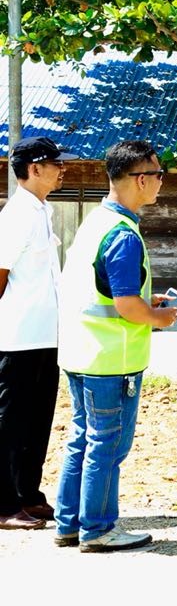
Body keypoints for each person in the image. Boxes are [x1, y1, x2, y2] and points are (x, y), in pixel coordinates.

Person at [55, 140, 177, 552]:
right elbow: (127, 306)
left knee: (84, 439)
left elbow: (106, 293)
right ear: (140, 179)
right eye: (159, 174)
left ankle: (70, 523)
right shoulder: (124, 234)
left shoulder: (97, 222)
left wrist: (148, 305)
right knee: (108, 445)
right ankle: (98, 529)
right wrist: (158, 317)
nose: (161, 183)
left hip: (82, 352)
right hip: (111, 359)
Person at [0, 137, 74, 531]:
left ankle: (28, 494)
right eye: (54, 163)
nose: (62, 168)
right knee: (9, 424)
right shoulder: (16, 215)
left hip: (45, 335)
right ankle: (3, 503)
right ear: (33, 168)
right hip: (17, 338)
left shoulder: (41, 210)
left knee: (37, 420)